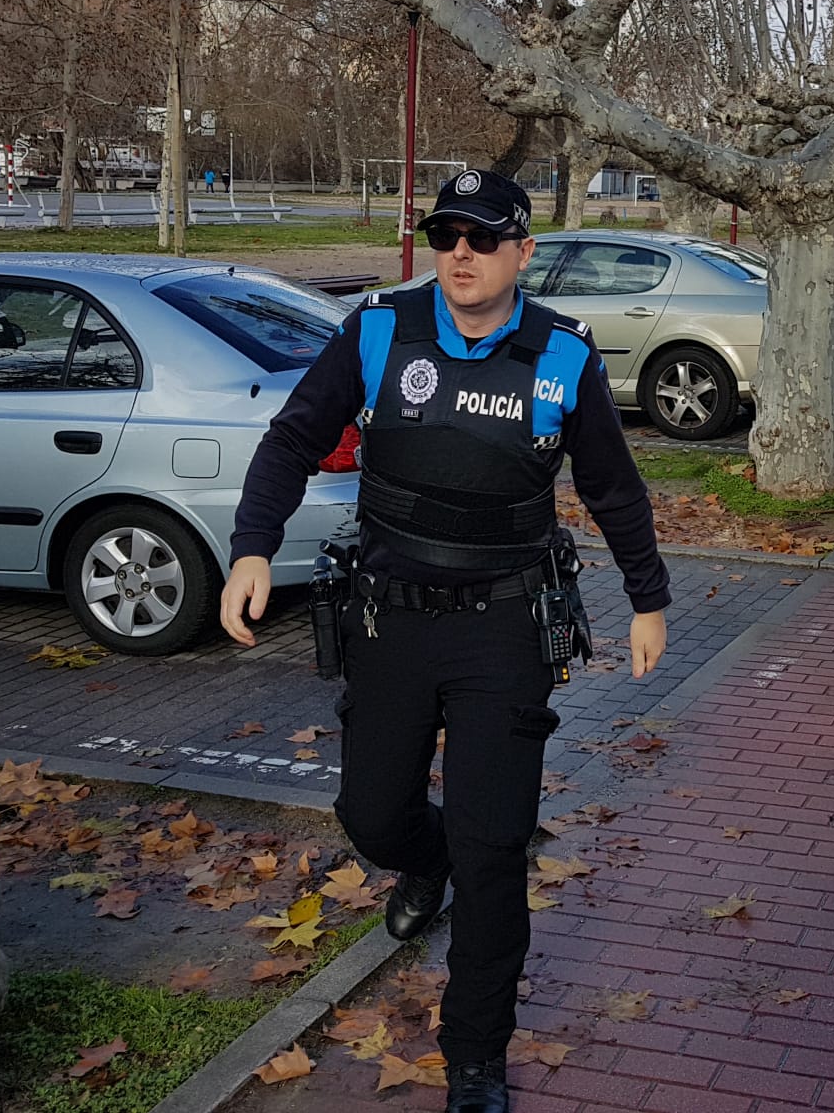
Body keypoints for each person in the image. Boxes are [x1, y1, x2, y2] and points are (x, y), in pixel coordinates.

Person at [220, 168, 670, 1113]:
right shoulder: (380, 330)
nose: (459, 252)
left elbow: (614, 489)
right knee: (372, 815)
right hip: (389, 616)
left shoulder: (563, 356)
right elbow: (293, 439)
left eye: (481, 236)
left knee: (495, 845)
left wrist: (648, 598)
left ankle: (474, 1056)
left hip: (504, 628)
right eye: (444, 235)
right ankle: (427, 864)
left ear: (522, 251)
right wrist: (252, 547)